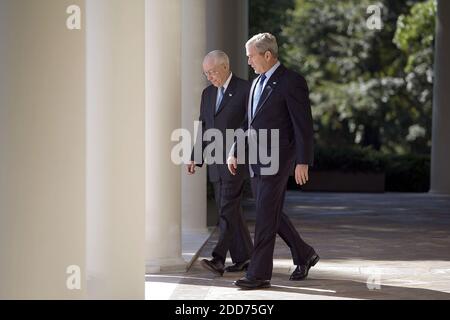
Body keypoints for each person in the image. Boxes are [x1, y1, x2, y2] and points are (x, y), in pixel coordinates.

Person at [228, 33, 319, 289]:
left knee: (266, 216)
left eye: (251, 56)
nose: (248, 61)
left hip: (279, 159)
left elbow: (303, 125)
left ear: (267, 55)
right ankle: (304, 253)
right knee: (271, 213)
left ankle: (258, 275)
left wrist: (303, 161)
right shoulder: (256, 83)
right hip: (257, 159)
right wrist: (235, 148)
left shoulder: (292, 82)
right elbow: (249, 123)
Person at [188, 50, 253, 276]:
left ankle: (218, 259)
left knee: (226, 209)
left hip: (236, 161)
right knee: (231, 210)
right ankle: (245, 258)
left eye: (213, 72)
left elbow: (249, 125)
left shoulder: (245, 90)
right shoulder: (207, 94)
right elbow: (204, 126)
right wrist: (195, 156)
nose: (209, 77)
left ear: (225, 67)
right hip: (215, 164)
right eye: (206, 73)